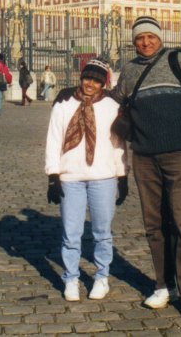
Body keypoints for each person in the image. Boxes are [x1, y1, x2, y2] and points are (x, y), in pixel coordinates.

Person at [112, 16, 181, 319]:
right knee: (154, 224)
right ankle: (162, 285)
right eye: (139, 38)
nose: (145, 42)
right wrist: (75, 97)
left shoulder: (178, 61)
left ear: (160, 38)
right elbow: (111, 104)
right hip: (144, 156)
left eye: (150, 37)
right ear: (133, 42)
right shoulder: (129, 71)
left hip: (179, 154)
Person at [45, 59, 128, 302]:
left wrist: (122, 176)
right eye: (87, 78)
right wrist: (53, 175)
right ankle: (70, 278)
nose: (90, 84)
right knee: (71, 233)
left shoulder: (112, 105)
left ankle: (102, 276)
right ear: (80, 78)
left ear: (104, 83)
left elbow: (118, 143)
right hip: (71, 177)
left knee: (102, 232)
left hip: (103, 176)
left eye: (96, 80)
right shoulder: (63, 102)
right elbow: (54, 138)